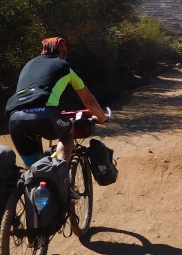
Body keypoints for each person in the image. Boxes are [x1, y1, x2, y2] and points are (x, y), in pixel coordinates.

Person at [6, 37, 108, 167]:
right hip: (45, 113)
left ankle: (35, 182)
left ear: (43, 51)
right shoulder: (65, 66)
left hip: (15, 118)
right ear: (63, 53)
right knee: (69, 130)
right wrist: (102, 118)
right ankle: (62, 173)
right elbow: (88, 101)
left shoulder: (28, 65)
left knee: (33, 171)